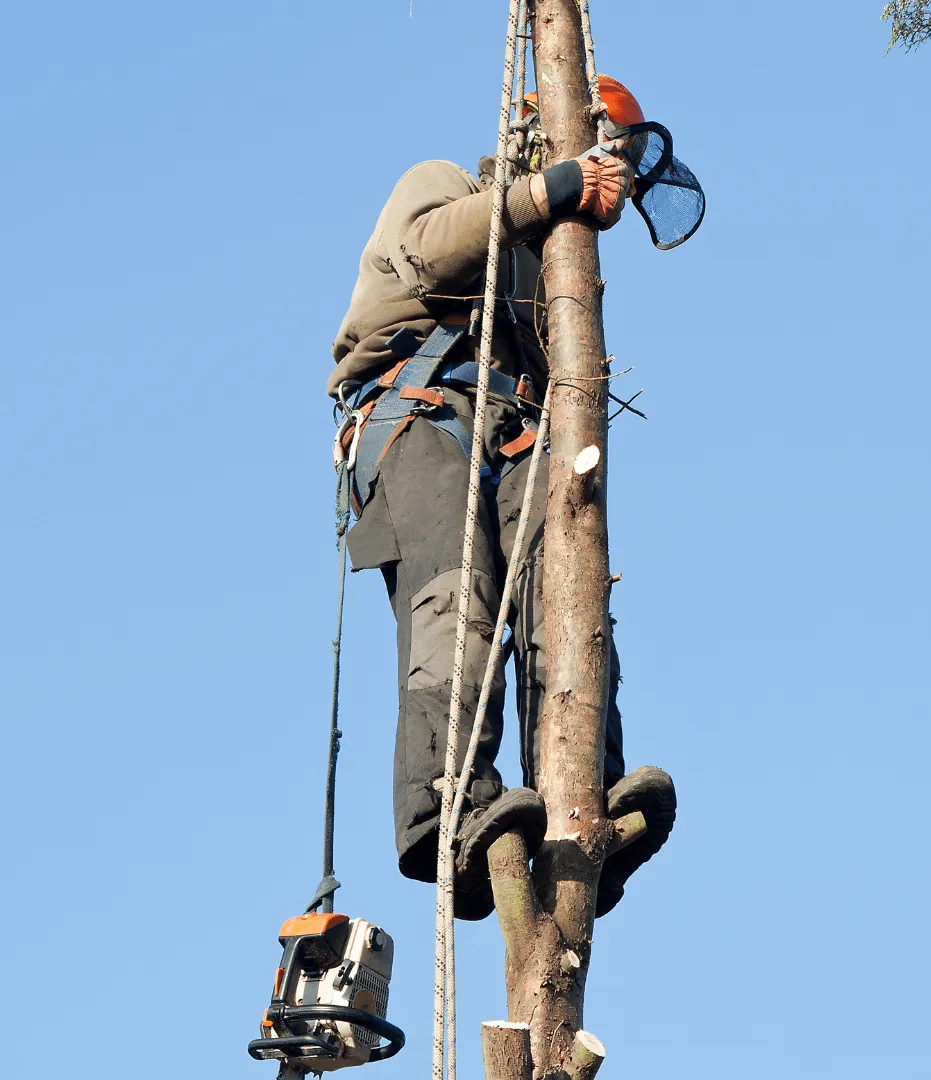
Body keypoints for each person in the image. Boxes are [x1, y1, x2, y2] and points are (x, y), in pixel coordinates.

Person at [328, 76, 676, 921]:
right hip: (420, 411)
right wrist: (553, 189)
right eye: (608, 159)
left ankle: (586, 793)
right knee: (459, 606)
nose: (614, 181)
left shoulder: (546, 266)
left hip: (516, 430)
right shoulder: (447, 185)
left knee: (566, 594)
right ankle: (445, 810)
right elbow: (429, 250)